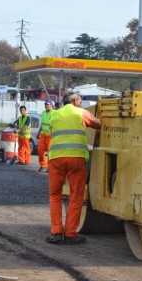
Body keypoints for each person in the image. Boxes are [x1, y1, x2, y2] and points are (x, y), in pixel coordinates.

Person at [46, 92, 101, 245]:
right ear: (75, 101)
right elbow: (99, 124)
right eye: (80, 100)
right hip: (76, 158)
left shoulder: (54, 115)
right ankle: (70, 233)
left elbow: (52, 133)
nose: (81, 102)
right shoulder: (81, 113)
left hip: (56, 158)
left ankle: (56, 232)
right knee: (76, 196)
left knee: (55, 195)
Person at [37, 100, 53, 172]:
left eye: (48, 105)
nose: (46, 106)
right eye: (45, 105)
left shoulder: (54, 113)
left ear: (51, 105)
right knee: (40, 150)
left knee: (50, 152)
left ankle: (49, 167)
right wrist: (38, 132)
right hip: (43, 134)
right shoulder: (43, 113)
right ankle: (43, 165)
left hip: (50, 135)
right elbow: (42, 124)